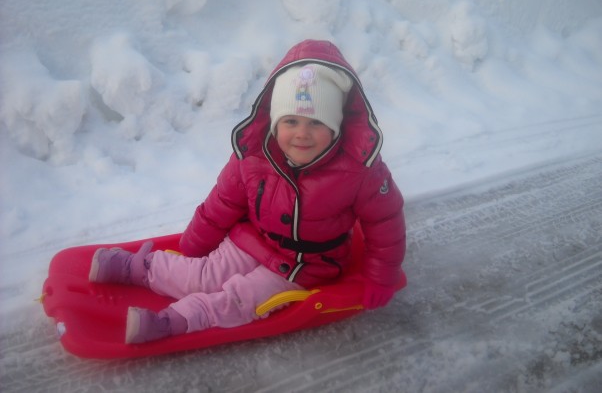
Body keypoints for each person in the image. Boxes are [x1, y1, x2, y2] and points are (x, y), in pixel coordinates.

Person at [88, 39, 406, 344]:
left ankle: (174, 321)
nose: (301, 134)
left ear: (335, 127)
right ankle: (135, 268)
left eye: (316, 124)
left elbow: (385, 222)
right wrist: (195, 245)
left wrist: (382, 276)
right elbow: (222, 202)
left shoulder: (359, 170)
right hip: (253, 240)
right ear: (273, 122)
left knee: (240, 299)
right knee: (200, 276)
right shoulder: (253, 157)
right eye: (291, 121)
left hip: (306, 264)